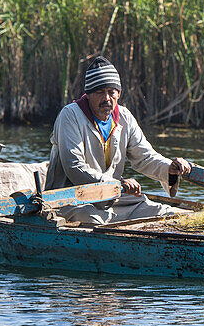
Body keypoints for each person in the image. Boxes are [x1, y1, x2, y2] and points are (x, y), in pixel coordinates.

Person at [46, 56, 192, 225]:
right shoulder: (70, 115)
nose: (107, 98)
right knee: (93, 221)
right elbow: (74, 167)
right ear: (88, 95)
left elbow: (145, 157)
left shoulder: (124, 117)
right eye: (100, 92)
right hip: (70, 201)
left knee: (163, 213)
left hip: (113, 198)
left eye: (111, 92)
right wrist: (118, 184)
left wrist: (170, 168)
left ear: (119, 94)